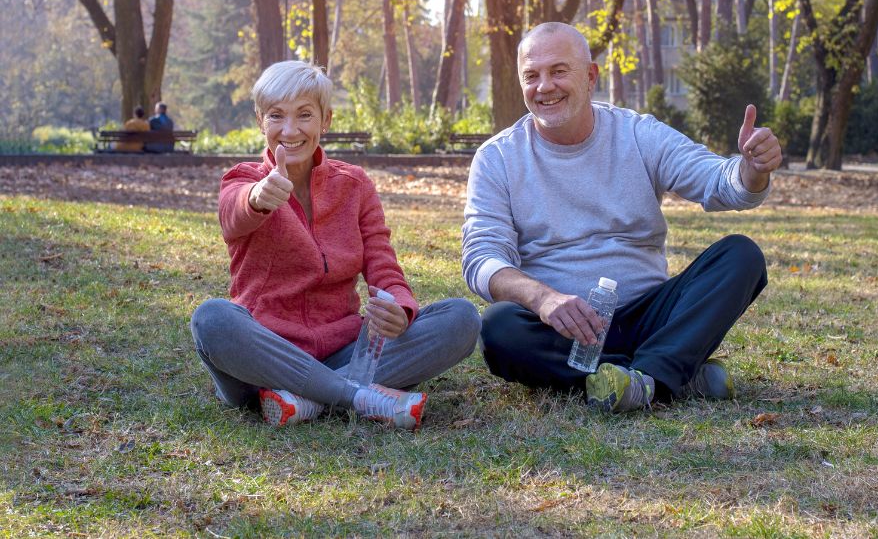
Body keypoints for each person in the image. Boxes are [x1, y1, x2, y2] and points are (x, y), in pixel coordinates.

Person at [462, 22, 783, 413]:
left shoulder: (638, 134)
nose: (545, 86)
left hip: (650, 315)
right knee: (498, 328)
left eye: (559, 71)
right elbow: (482, 258)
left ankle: (642, 377)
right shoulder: (498, 158)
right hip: (562, 331)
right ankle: (669, 374)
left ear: (591, 75)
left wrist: (753, 170)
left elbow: (719, 181)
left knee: (740, 256)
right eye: (532, 75)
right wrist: (544, 299)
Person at [190, 61, 480, 430]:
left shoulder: (354, 185)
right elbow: (235, 215)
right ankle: (356, 397)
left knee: (461, 318)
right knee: (212, 319)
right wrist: (259, 197)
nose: (290, 130)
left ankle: (306, 399)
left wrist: (400, 307)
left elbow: (382, 263)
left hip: (343, 349)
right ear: (260, 120)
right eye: (276, 115)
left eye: (305, 115)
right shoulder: (243, 178)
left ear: (325, 121)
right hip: (266, 356)